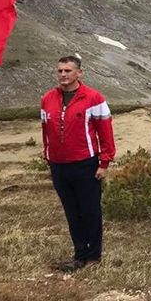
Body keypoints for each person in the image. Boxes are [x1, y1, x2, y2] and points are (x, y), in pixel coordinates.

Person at [40, 55, 116, 271]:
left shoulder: (93, 98)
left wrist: (104, 162)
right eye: (60, 71)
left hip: (85, 163)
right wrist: (47, 155)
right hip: (58, 165)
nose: (63, 74)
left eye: (68, 71)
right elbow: (46, 130)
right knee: (72, 212)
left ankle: (94, 257)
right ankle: (79, 254)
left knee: (90, 211)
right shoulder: (47, 98)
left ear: (79, 73)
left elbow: (105, 131)